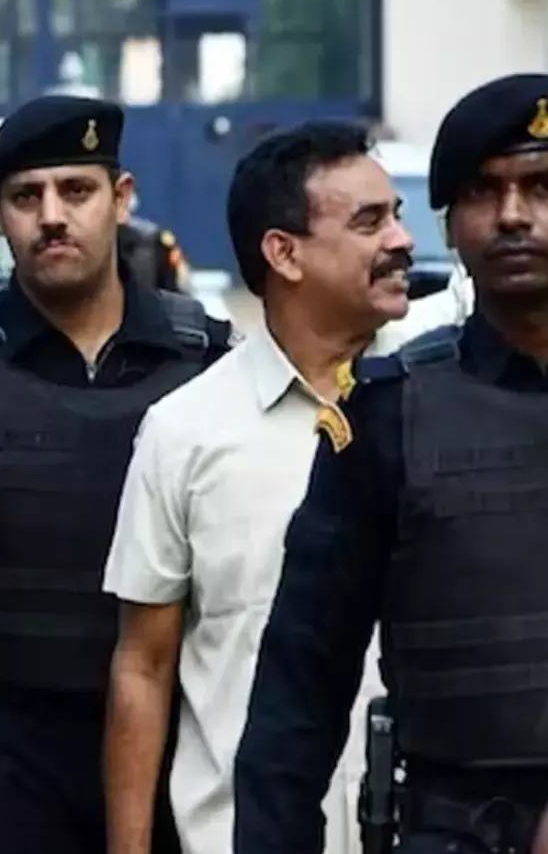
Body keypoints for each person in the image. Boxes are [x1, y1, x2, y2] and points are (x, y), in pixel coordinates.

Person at [233, 74, 548, 854]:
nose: (514, 215)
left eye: (542, 187)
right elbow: (298, 694)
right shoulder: (388, 414)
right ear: (450, 224)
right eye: (483, 191)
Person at [0, 94, 230, 854]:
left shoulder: (207, 361)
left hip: (174, 756)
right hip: (1, 765)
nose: (52, 217)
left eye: (76, 190)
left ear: (122, 199)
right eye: (27, 197)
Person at [102, 121, 418, 854]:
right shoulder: (185, 432)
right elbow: (143, 666)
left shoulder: (441, 406)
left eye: (397, 216)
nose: (401, 241)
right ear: (284, 253)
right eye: (369, 222)